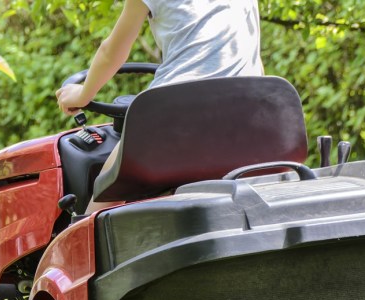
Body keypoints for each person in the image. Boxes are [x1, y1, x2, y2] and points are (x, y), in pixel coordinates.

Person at [56, 0, 263, 213]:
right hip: (252, 117)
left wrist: (83, 94)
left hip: (178, 114)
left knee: (106, 187)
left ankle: (84, 236)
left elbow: (111, 52)